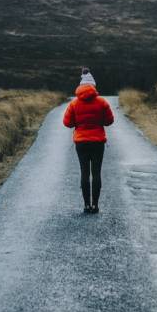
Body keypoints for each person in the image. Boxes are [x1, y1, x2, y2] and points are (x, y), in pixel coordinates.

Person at [63, 73, 114, 214]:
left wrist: (79, 123)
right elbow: (109, 121)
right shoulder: (102, 102)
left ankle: (86, 205)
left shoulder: (74, 103)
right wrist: (98, 121)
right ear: (93, 86)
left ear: (80, 86)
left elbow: (67, 123)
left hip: (81, 143)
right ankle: (95, 206)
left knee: (84, 173)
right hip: (98, 142)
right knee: (96, 173)